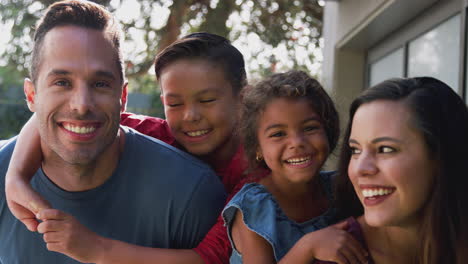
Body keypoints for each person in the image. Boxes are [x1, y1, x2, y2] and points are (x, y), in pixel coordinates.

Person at [0, 1, 226, 263]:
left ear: (123, 96)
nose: (82, 105)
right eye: (62, 82)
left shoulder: (191, 192)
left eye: (100, 84)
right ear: (31, 95)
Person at [283, 77, 468, 264]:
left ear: (442, 157)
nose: (360, 169)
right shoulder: (338, 257)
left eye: (385, 149)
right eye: (355, 150)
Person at [222, 70, 368, 264]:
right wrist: (308, 247)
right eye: (278, 134)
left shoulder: (340, 187)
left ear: (329, 132)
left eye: (310, 128)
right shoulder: (254, 207)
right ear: (257, 147)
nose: (297, 143)